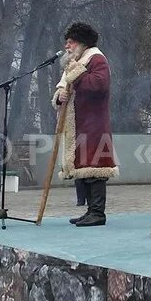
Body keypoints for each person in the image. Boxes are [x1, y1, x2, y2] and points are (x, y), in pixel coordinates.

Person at [53, 22, 119, 226]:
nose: (67, 46)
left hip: (94, 123)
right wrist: (59, 96)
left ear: (82, 43)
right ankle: (90, 210)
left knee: (95, 167)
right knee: (83, 167)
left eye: (70, 42)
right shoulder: (76, 61)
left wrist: (75, 71)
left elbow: (98, 85)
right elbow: (63, 88)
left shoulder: (96, 59)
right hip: (79, 124)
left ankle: (98, 212)